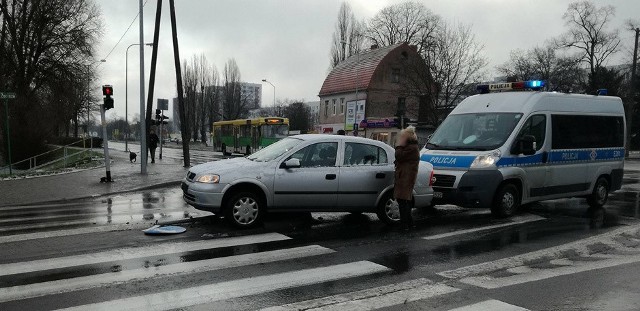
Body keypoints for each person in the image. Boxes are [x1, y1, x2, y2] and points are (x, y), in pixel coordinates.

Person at [394, 126, 420, 230]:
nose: (401, 138)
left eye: (403, 137)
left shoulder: (411, 148)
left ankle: (404, 224)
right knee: (405, 201)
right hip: (405, 177)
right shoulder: (411, 147)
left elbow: (398, 156)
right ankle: (409, 223)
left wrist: (399, 145)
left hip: (406, 178)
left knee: (403, 201)